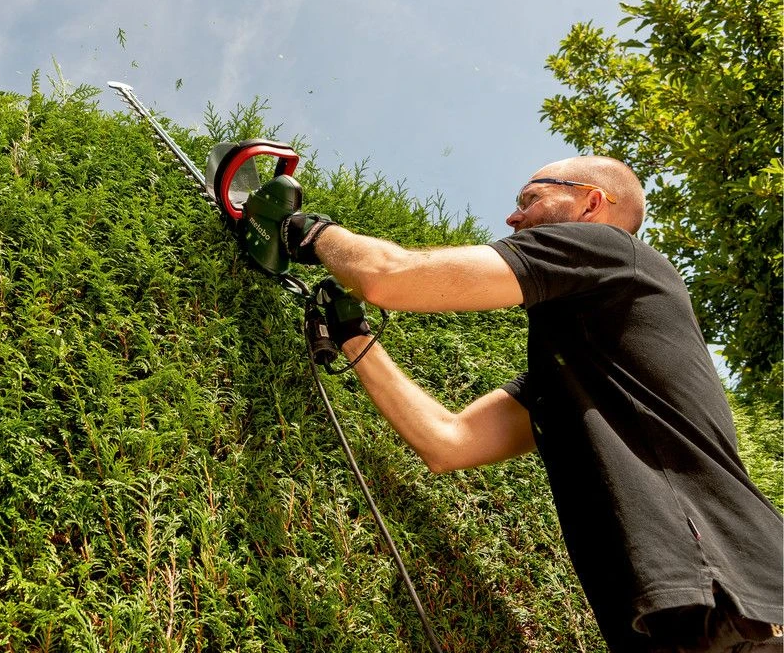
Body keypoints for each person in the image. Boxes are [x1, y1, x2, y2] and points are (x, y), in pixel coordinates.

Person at [252, 155, 783, 652]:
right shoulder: (582, 377)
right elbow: (449, 443)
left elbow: (389, 275)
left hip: (739, 599)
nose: (512, 216)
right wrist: (353, 336)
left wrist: (310, 231)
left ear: (591, 204)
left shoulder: (612, 249)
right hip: (682, 623)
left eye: (530, 199)